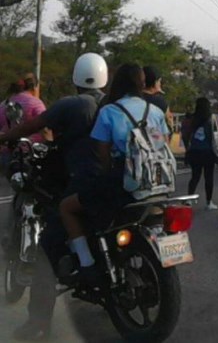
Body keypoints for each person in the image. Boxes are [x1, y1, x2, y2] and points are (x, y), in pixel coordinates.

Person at [0, 52, 108, 340]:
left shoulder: (71, 104)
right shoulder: (112, 104)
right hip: (115, 184)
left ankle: (38, 323)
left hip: (82, 182)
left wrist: (4, 137)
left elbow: (33, 126)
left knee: (47, 247)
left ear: (76, 78)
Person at [58, 63, 170, 289]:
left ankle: (87, 264)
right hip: (160, 184)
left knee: (67, 208)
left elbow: (102, 154)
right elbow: (164, 144)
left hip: (123, 184)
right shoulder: (156, 112)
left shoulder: (109, 111)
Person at [187, 97, 218, 210]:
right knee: (208, 177)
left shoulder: (192, 118)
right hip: (208, 151)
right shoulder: (211, 118)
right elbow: (214, 135)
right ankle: (208, 202)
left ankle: (189, 200)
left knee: (195, 177)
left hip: (194, 151)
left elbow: (187, 135)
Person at [142, 65, 174, 135]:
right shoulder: (160, 102)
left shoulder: (133, 98)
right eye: (159, 81)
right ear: (155, 82)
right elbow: (169, 122)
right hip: (154, 140)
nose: (160, 84)